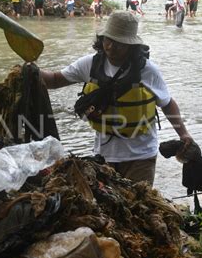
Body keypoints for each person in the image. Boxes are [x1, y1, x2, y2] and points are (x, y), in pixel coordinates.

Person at [40, 11, 192, 185]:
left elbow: (167, 104)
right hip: (104, 156)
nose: (111, 47)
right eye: (107, 40)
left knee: (138, 207)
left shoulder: (148, 71)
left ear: (130, 46)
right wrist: (30, 70)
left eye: (119, 44)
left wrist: (184, 134)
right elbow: (54, 80)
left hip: (141, 156)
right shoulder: (90, 64)